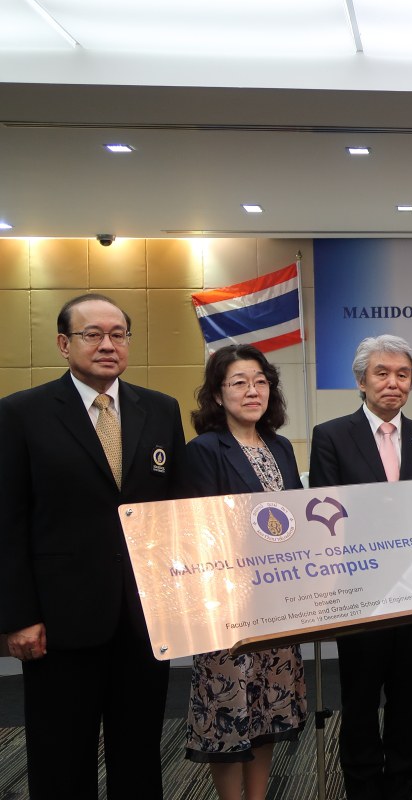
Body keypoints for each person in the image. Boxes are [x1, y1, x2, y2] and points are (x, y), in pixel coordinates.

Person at [0, 293, 187, 799]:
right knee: (61, 758)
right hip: (60, 623)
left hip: (146, 619)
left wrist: (183, 604)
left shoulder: (161, 409)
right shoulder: (21, 413)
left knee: (140, 753)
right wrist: (18, 616)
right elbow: (8, 521)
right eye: (93, 335)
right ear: (64, 344)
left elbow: (176, 512)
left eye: (118, 334)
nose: (108, 345)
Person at [309, 335, 412, 800]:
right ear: (361, 381)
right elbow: (326, 514)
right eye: (382, 373)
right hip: (359, 592)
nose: (393, 383)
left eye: (403, 375)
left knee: (410, 697)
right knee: (360, 697)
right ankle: (362, 785)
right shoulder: (331, 435)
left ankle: (402, 785)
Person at [184, 344, 308, 799]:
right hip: (229, 607)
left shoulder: (280, 447)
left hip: (278, 602)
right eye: (239, 382)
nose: (252, 391)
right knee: (229, 715)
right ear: (218, 395)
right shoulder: (204, 450)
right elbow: (201, 530)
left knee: (268, 711)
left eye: (260, 381)